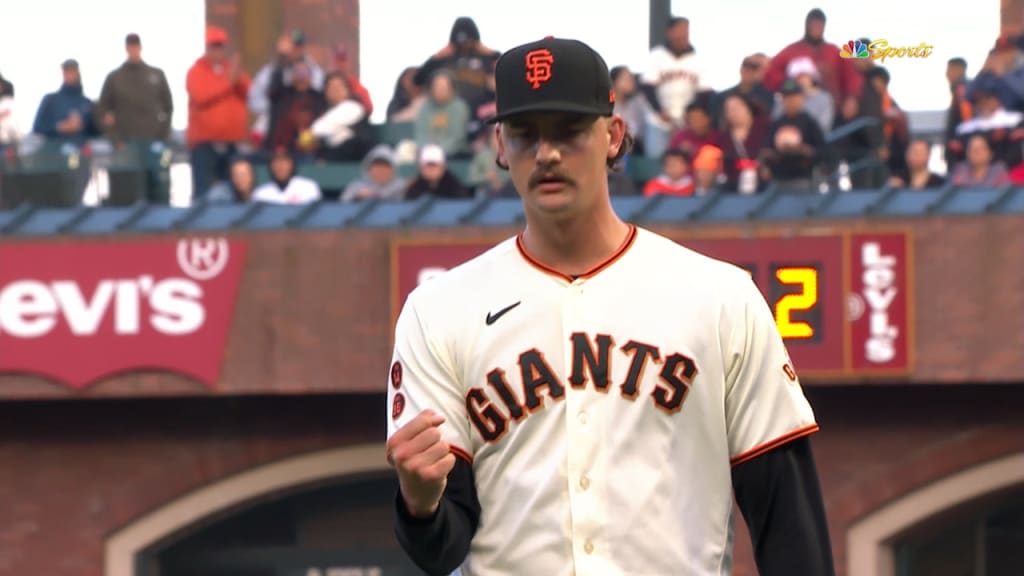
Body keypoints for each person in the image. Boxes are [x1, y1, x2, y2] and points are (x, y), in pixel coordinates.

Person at [385, 36, 834, 576]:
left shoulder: (720, 297)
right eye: (526, 134)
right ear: (499, 145)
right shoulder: (438, 310)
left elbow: (788, 522)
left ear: (613, 135)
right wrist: (419, 504)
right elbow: (444, 549)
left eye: (569, 131)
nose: (547, 153)